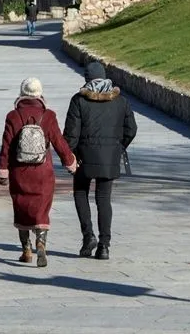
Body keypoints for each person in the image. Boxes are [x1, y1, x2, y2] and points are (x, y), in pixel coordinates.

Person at [0, 78, 77, 268]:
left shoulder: (13, 116)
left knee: (21, 207)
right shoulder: (48, 116)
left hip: (19, 170)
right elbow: (59, 142)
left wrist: (2, 170)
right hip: (43, 171)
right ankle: (41, 242)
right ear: (40, 94)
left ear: (22, 93)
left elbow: (6, 145)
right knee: (41, 209)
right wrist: (70, 162)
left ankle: (26, 250)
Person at [64, 61, 138, 261]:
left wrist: (70, 154)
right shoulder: (120, 100)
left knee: (81, 193)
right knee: (104, 199)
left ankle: (88, 236)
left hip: (83, 157)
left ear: (87, 78)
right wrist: (118, 146)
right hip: (110, 157)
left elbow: (71, 134)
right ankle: (104, 245)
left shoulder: (78, 100)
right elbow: (131, 128)